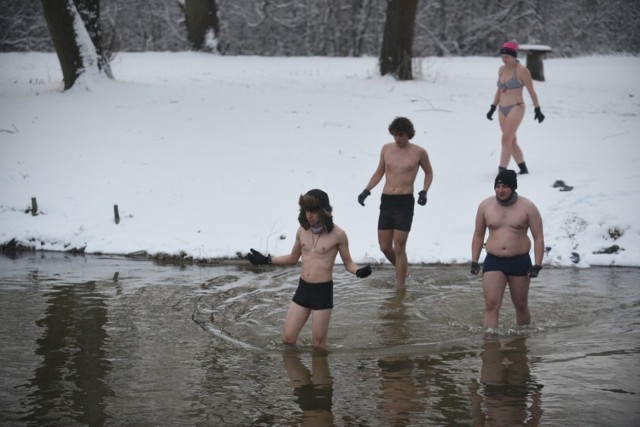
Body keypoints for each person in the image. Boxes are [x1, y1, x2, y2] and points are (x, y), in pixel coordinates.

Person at [248, 189, 372, 349]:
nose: (309, 215)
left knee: (318, 345)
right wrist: (266, 260)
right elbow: (293, 258)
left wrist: (358, 271)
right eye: (306, 211)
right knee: (287, 339)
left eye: (313, 211)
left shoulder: (338, 235)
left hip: (322, 292)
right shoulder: (302, 231)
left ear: (324, 211)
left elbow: (348, 263)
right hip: (303, 289)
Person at [357, 116, 433, 287]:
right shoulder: (386, 149)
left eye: (402, 135)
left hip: (405, 202)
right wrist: (366, 190)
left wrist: (424, 191)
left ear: (409, 135)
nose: (398, 139)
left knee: (399, 247)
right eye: (395, 135)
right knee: (384, 246)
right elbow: (379, 172)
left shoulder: (419, 152)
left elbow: (429, 173)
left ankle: (400, 288)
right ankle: (403, 268)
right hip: (387, 200)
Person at [470, 169, 544, 329]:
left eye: (505, 186)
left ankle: (522, 341)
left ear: (513, 188)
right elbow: (478, 235)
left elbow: (538, 237)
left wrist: (537, 264)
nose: (500, 190)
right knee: (491, 304)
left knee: (520, 304)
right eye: (498, 186)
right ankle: (489, 342)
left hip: (519, 261)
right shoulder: (485, 206)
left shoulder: (528, 207)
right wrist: (474, 260)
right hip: (494, 261)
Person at [486, 40, 545, 175]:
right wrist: (492, 107)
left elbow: (531, 91)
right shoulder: (501, 70)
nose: (504, 59)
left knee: (505, 139)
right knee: (511, 141)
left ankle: (502, 171)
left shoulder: (522, 71)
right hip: (502, 108)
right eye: (502, 57)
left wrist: (538, 109)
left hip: (516, 107)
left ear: (514, 56)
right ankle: (523, 168)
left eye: (507, 57)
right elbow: (499, 90)